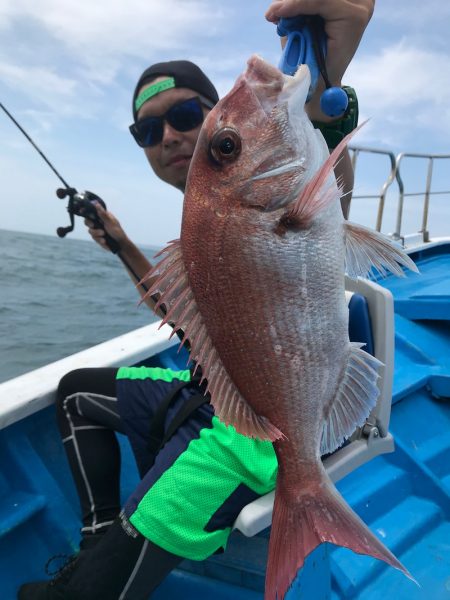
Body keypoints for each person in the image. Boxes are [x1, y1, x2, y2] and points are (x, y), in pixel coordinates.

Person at [18, 1, 374, 598]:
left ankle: (116, 556)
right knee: (77, 392)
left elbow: (329, 196)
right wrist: (125, 246)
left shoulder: (276, 190)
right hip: (209, 393)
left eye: (186, 115)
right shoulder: (199, 233)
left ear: (212, 113)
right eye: (147, 131)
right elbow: (188, 320)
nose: (169, 137)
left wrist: (326, 99)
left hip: (253, 437)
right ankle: (101, 534)